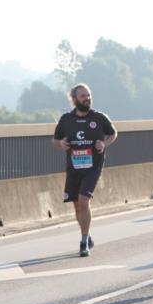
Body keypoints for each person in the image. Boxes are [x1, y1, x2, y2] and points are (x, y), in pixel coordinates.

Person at [51, 84, 118, 257]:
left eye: (88, 95)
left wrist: (104, 143)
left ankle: (83, 241)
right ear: (74, 99)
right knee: (76, 205)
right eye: (83, 96)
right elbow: (55, 139)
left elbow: (113, 133)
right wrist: (61, 144)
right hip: (74, 167)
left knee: (83, 200)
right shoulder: (66, 119)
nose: (87, 98)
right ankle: (87, 234)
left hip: (93, 166)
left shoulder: (99, 117)